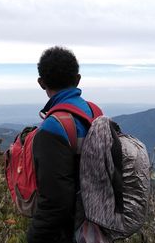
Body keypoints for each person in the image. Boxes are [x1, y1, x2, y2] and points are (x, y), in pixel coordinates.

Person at [27, 46, 101, 243]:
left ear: (41, 83)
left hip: (70, 231)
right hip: (99, 224)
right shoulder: (94, 112)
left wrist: (35, 237)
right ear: (77, 79)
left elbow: (55, 202)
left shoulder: (53, 127)